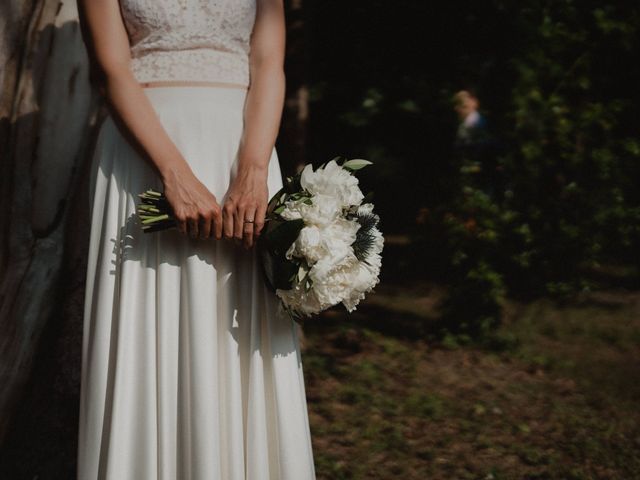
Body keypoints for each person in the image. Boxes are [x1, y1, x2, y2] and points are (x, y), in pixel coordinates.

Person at [76, 1, 316, 479]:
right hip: (145, 154)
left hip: (242, 146)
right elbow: (112, 70)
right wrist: (174, 173)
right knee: (147, 323)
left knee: (240, 332)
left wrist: (252, 170)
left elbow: (268, 62)